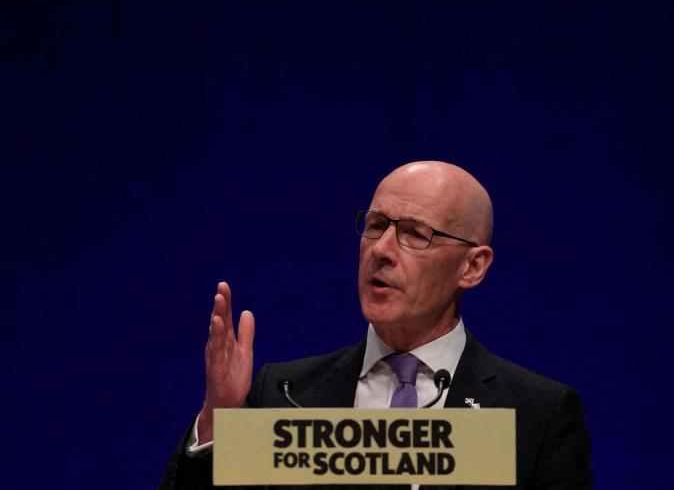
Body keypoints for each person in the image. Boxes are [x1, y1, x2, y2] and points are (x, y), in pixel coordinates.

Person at [158, 161, 592, 489]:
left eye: (415, 233)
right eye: (376, 225)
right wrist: (219, 417)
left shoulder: (534, 415)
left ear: (472, 266)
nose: (381, 250)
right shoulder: (286, 396)